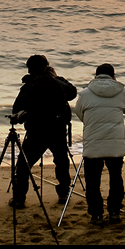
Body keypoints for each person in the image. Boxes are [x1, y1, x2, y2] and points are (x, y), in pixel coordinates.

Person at [72, 63, 125, 225]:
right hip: (115, 143)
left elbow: (79, 112)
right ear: (113, 76)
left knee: (92, 181)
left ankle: (96, 214)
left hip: (93, 142)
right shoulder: (121, 91)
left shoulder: (85, 93)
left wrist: (92, 121)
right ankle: (114, 212)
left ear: (96, 76)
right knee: (116, 177)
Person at [10, 54, 77, 208]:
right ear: (47, 67)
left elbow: (16, 109)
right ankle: (63, 193)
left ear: (29, 69)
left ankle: (19, 198)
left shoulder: (29, 85)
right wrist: (57, 77)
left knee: (24, 165)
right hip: (57, 129)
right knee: (61, 162)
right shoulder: (56, 83)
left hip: (36, 131)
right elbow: (72, 93)